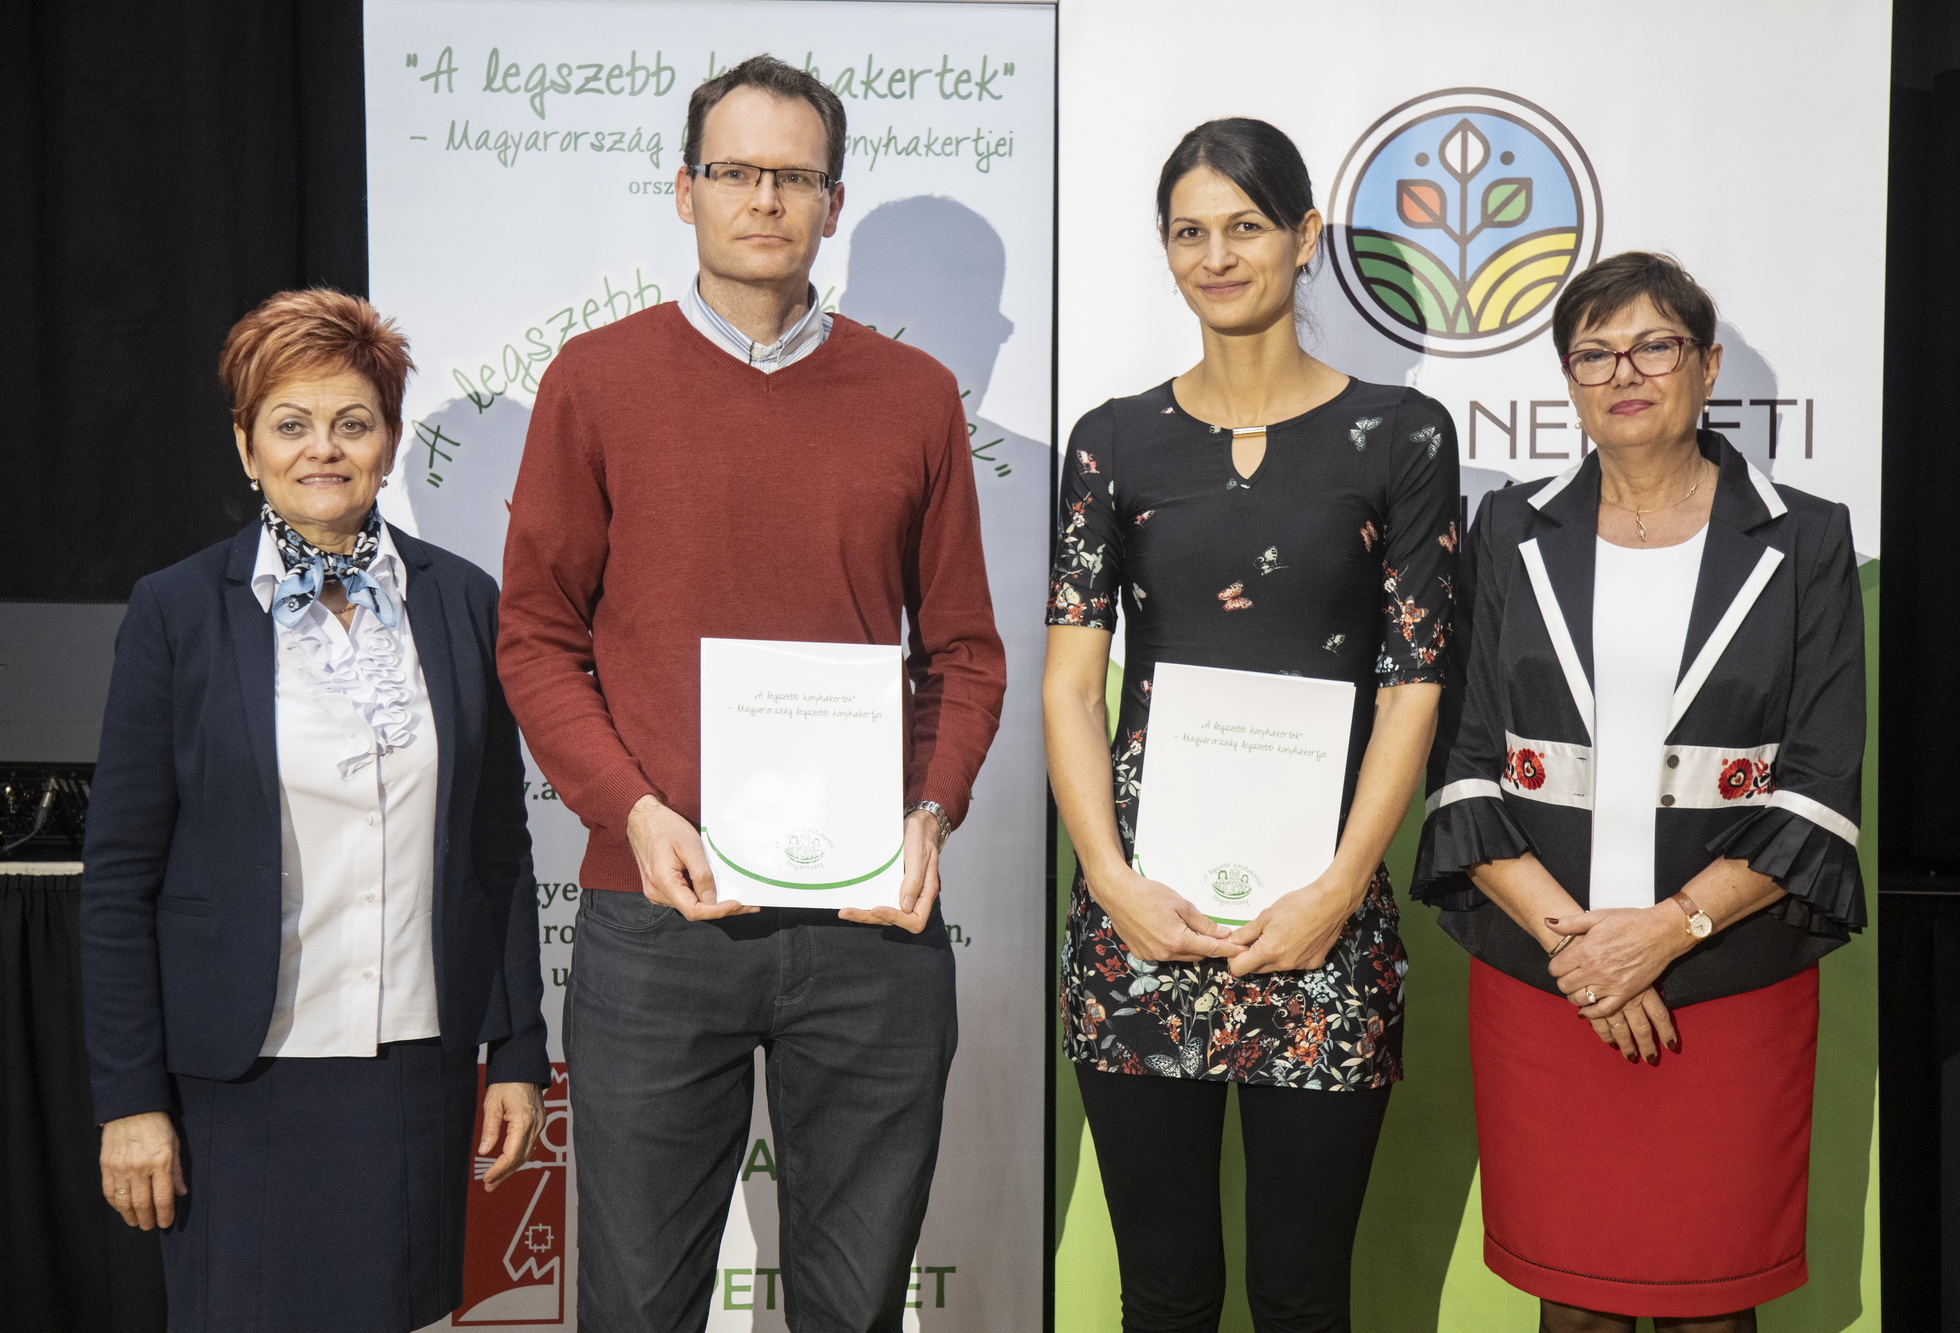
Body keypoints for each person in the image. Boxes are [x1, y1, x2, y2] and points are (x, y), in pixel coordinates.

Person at [496, 55, 1005, 1331]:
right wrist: (631, 812)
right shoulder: (594, 381)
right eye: (735, 171)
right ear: (685, 191)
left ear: (832, 202)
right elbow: (537, 637)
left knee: (855, 1308)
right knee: (636, 1306)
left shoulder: (915, 398)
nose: (764, 199)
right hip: (656, 914)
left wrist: (927, 813)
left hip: (868, 927)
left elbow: (962, 652)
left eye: (794, 176)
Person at [1042, 118, 1459, 1332]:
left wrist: (1338, 889)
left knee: (1300, 1293)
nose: (1215, 256)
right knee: (1164, 1293)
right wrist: (1108, 881)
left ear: (1303, 236)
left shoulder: (1402, 434)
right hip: (1140, 908)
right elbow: (1070, 684)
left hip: (1322, 906)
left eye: (1244, 226)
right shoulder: (1110, 440)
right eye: (1189, 232)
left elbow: (1414, 681)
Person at [1414, 252, 1867, 1332]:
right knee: (1573, 1303)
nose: (1624, 372)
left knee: (1713, 1305)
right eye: (1594, 353)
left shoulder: (1805, 537)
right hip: (1547, 978)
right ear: (1567, 380)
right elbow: (1464, 764)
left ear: (1706, 367)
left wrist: (1664, 934)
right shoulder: (1508, 529)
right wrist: (1585, 956)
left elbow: (1818, 784)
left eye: (1654, 345)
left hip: (1727, 981)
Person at [82, 289, 550, 1333]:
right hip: (233, 1079)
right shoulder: (176, 609)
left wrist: (517, 1052)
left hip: (413, 1072)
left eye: (352, 422)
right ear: (246, 446)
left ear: (389, 440)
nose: (323, 449)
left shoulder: (462, 600)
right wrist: (129, 1097)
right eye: (290, 423)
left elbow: (498, 851)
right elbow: (117, 880)